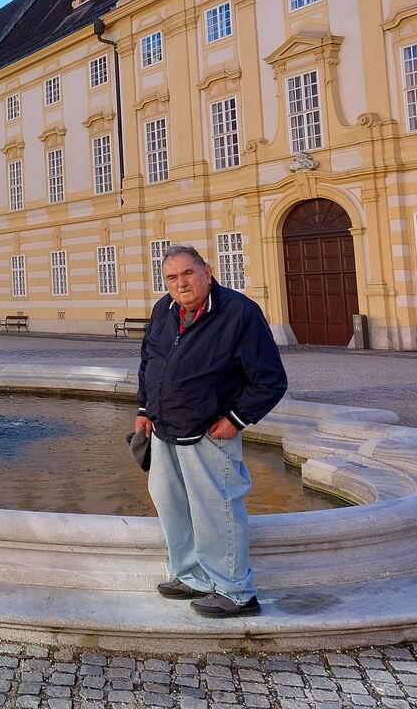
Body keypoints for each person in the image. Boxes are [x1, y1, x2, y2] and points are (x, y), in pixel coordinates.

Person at [135, 244, 287, 619]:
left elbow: (270, 380)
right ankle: (193, 575)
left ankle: (236, 591)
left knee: (216, 508)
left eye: (188, 273)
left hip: (208, 431)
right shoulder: (164, 310)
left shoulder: (239, 313)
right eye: (172, 277)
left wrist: (235, 419)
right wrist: (144, 410)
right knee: (172, 504)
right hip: (164, 427)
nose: (181, 283)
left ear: (207, 271)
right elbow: (148, 361)